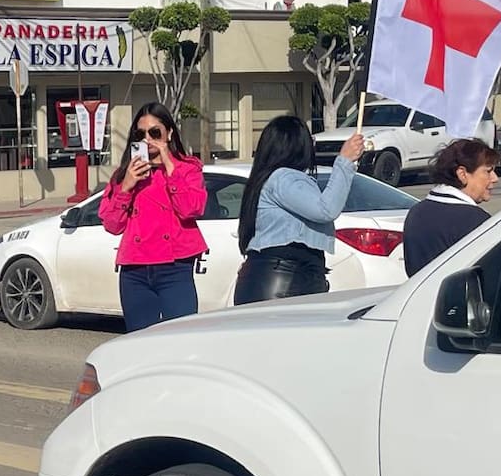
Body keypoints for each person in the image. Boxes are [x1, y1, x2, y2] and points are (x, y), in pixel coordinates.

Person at [98, 102, 208, 332]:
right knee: (139, 340)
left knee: (180, 337)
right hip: (135, 270)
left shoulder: (187, 169)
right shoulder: (126, 174)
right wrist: (126, 187)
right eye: (141, 134)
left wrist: (169, 165)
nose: (148, 139)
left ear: (168, 132)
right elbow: (111, 224)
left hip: (174, 268)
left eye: (154, 132)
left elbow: (192, 209)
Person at [234, 115, 364, 305]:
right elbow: (325, 209)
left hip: (278, 276)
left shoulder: (270, 178)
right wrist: (344, 161)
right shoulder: (283, 177)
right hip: (284, 278)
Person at [402, 138, 499, 276]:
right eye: (488, 171)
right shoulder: (473, 220)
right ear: (462, 174)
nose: (495, 178)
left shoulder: (417, 211)